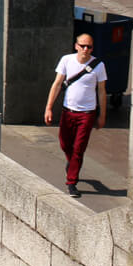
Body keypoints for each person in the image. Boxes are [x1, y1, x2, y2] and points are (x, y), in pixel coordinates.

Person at [44, 33, 108, 197]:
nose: (86, 49)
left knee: (79, 149)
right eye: (83, 46)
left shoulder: (98, 66)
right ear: (76, 46)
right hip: (68, 111)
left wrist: (102, 115)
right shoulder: (66, 60)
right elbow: (57, 84)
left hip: (87, 113)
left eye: (89, 47)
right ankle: (71, 162)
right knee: (65, 144)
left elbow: (101, 91)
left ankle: (72, 182)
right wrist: (49, 108)